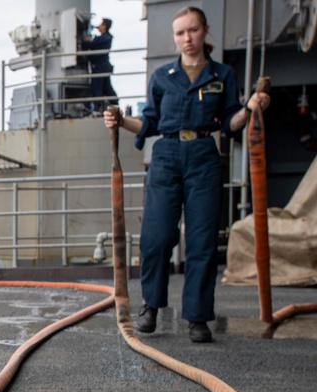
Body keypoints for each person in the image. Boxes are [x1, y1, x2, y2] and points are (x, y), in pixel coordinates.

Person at [104, 6, 270, 343]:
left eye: (192, 30)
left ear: (204, 31)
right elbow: (148, 123)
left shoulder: (221, 75)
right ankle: (151, 305)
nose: (187, 38)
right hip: (165, 156)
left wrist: (250, 108)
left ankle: (197, 317)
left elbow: (231, 122)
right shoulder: (162, 77)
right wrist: (121, 121)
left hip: (205, 156)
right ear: (175, 38)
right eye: (180, 33)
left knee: (202, 241)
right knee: (157, 237)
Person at [81, 17, 117, 113]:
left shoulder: (105, 38)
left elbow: (88, 44)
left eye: (101, 25)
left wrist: (86, 40)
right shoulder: (104, 38)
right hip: (102, 66)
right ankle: (114, 103)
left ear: (104, 26)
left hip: (100, 66)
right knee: (106, 87)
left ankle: (98, 107)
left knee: (97, 86)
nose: (99, 26)